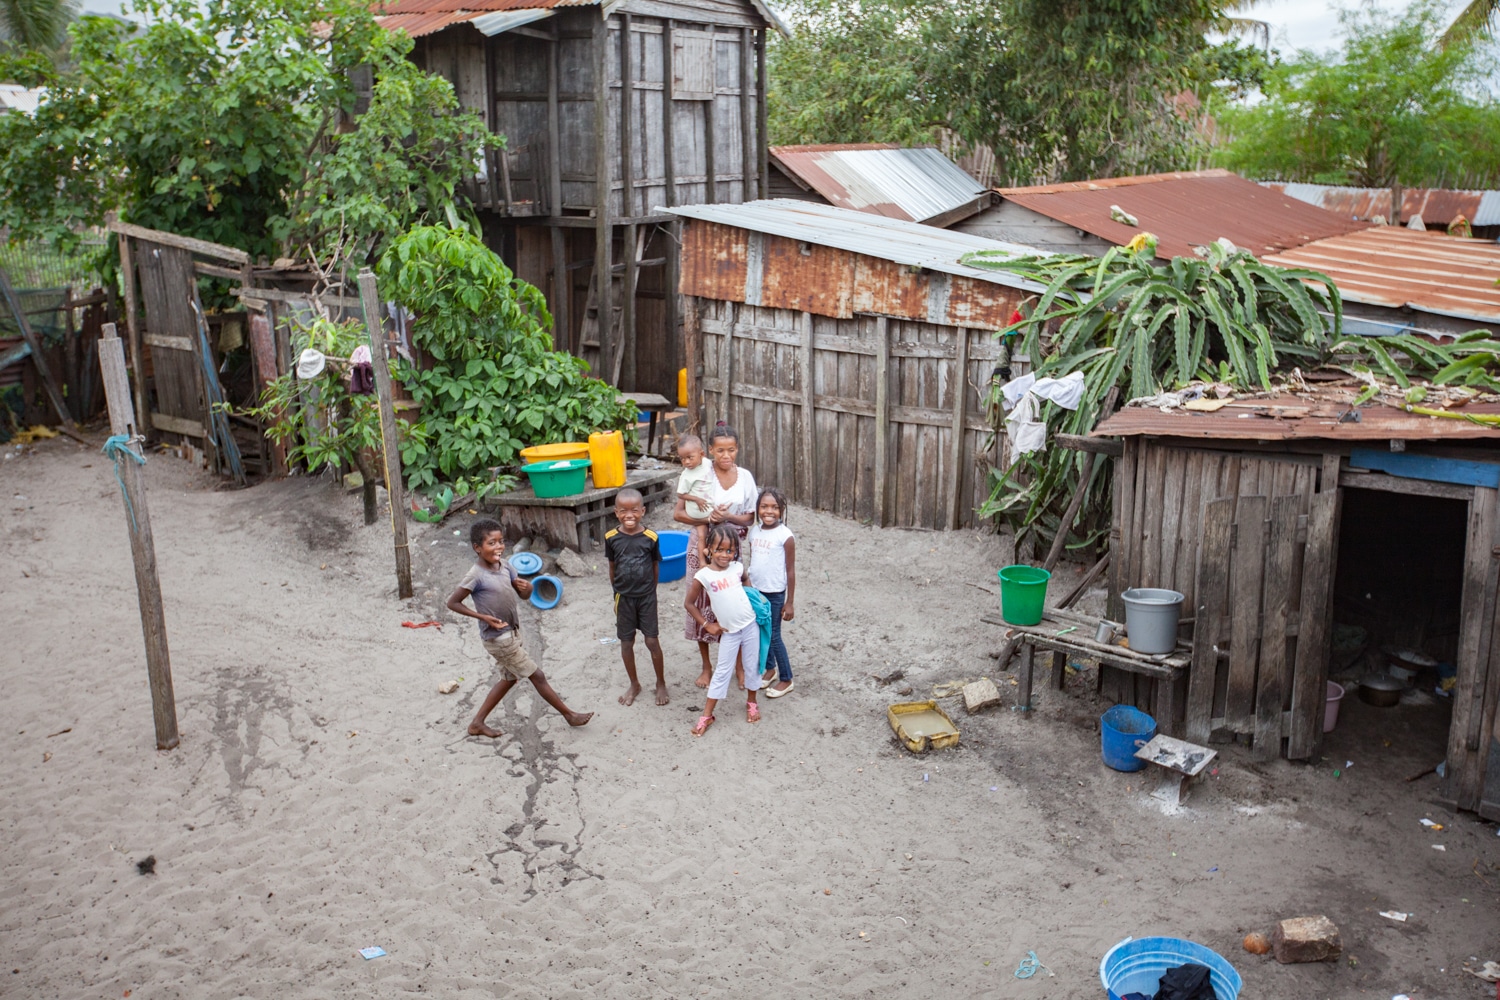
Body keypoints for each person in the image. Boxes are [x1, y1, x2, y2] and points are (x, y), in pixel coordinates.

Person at [447, 519, 593, 739]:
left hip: (513, 632)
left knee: (509, 679)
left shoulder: (505, 565)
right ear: (477, 548)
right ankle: (569, 715)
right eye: (491, 543)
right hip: (498, 639)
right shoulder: (476, 575)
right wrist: (482, 616)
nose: (498, 547)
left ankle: (477, 723)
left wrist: (530, 587)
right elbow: (453, 603)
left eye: (500, 541)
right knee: (538, 675)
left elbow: (524, 595)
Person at [673, 421, 758, 689]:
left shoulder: (744, 477)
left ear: (737, 450)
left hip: (731, 547)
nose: (726, 456)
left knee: (735, 604)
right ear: (710, 450)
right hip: (701, 545)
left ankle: (739, 666)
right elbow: (678, 513)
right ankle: (707, 666)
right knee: (701, 600)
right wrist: (707, 520)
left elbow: (750, 518)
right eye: (720, 451)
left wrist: (728, 516)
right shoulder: (699, 471)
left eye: (731, 450)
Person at [684, 523, 761, 735]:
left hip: (750, 625)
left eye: (730, 550)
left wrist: (755, 601)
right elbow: (689, 604)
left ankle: (752, 703)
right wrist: (707, 624)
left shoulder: (738, 568)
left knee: (751, 665)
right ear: (708, 549)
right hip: (729, 632)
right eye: (719, 550)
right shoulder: (704, 575)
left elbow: (747, 584)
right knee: (722, 672)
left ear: (736, 551)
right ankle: (707, 715)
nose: (725, 555)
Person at [604, 488, 668, 707]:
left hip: (647, 597)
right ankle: (634, 684)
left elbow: (654, 566)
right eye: (623, 511)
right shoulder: (611, 538)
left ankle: (660, 682)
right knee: (626, 642)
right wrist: (618, 592)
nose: (629, 515)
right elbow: (612, 567)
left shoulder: (651, 537)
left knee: (651, 640)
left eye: (634, 510)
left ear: (643, 510)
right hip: (624, 598)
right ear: (616, 512)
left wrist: (651, 591)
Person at [747, 487, 796, 698]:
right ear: (758, 509)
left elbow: (791, 570)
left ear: (782, 511)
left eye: (775, 507)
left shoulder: (785, 536)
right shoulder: (754, 531)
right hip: (756, 591)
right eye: (764, 506)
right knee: (760, 631)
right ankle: (770, 669)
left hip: (775, 593)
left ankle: (786, 678)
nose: (769, 511)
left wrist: (790, 602)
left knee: (774, 635)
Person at [674, 434, 714, 564]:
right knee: (702, 535)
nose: (686, 462)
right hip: (697, 511)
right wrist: (696, 499)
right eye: (682, 459)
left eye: (690, 458)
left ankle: (709, 558)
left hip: (708, 507)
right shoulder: (686, 475)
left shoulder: (708, 464)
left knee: (708, 536)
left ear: (702, 454)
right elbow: (680, 494)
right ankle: (702, 562)